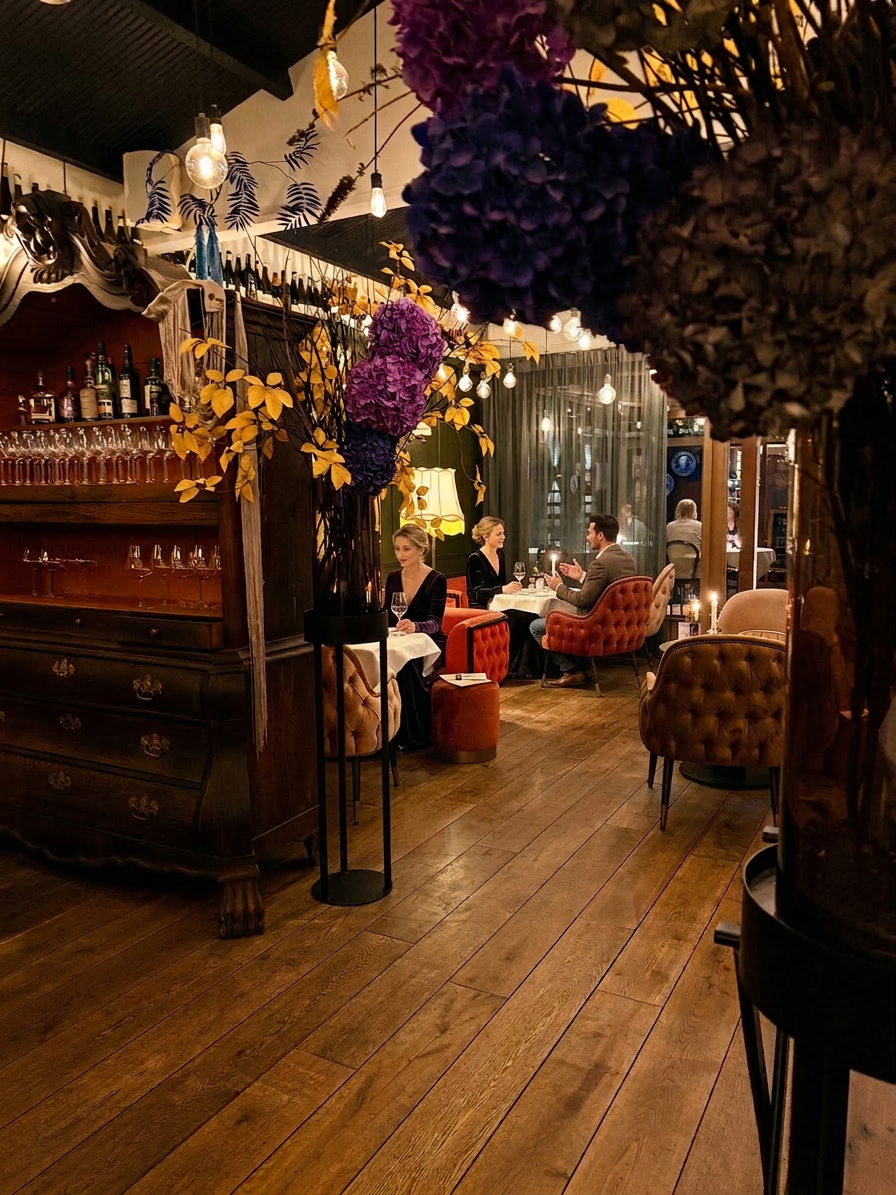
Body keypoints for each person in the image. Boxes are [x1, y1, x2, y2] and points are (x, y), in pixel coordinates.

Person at [530, 513, 636, 688]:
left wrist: (558, 586)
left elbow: (582, 600)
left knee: (536, 626)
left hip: (596, 627)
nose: (587, 537)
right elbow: (607, 588)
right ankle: (583, 667)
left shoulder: (601, 563)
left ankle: (571, 671)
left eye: (589, 532)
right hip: (620, 625)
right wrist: (582, 576)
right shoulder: (628, 559)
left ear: (600, 535)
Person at [384, 525, 447, 750]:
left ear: (421, 550)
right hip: (399, 640)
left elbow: (435, 623)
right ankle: (384, 735)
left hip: (429, 643)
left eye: (406, 549)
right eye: (397, 548)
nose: (400, 554)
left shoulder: (436, 579)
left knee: (407, 666)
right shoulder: (393, 578)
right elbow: (387, 616)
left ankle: (410, 736)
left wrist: (415, 626)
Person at [466, 516, 538, 677]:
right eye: (498, 534)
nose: (503, 537)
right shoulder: (475, 559)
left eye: (503, 533)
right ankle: (514, 669)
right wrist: (502, 589)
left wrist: (510, 589)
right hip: (481, 609)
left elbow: (502, 585)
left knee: (532, 617)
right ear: (485, 536)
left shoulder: (500, 555)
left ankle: (521, 669)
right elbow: (474, 592)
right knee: (522, 619)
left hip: (499, 605)